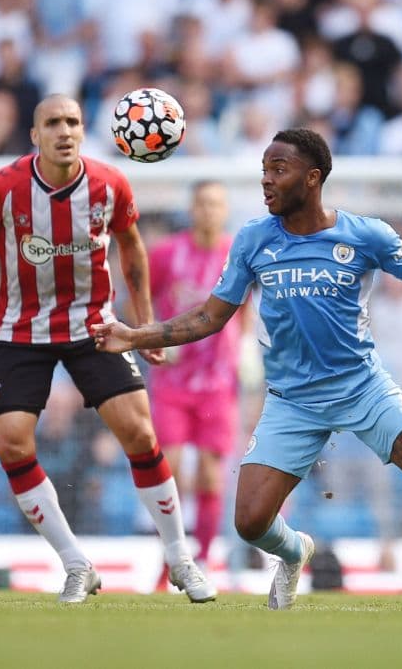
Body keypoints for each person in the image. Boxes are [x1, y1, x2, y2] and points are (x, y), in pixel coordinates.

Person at [92, 128, 402, 612]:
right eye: (264, 170)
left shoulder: (366, 234)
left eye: (278, 170)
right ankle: (296, 550)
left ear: (313, 177)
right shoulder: (254, 240)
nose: (266, 181)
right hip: (291, 399)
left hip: (361, 386)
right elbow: (209, 317)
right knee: (251, 522)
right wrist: (135, 335)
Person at [0, 94, 216, 604]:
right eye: (53, 123)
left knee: (138, 430)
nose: (64, 131)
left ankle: (181, 559)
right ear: (35, 135)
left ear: (83, 130)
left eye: (72, 122)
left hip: (95, 327)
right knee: (11, 443)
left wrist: (146, 321)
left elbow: (132, 245)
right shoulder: (3, 188)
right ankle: (76, 564)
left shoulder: (110, 183)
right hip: (23, 332)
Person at [147, 180, 243, 579]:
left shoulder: (237, 256)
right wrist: (151, 335)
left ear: (225, 211)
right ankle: (170, 557)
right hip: (172, 381)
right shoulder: (167, 254)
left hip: (218, 383)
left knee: (208, 472)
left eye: (216, 204)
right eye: (202, 203)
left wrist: (246, 355)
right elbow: (143, 296)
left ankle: (202, 557)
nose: (208, 210)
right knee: (168, 470)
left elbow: (248, 309)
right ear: (191, 209)